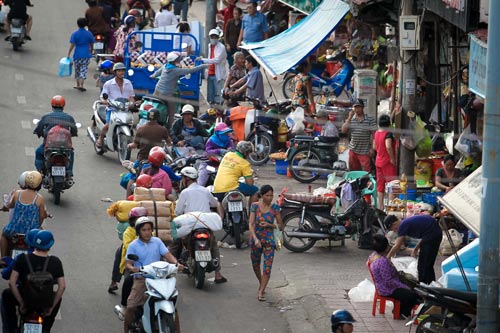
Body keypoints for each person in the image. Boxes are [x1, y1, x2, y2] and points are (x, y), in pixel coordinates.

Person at [123, 217, 183, 333]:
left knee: (172, 303)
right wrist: (133, 269)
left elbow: (167, 255)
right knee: (131, 306)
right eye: (144, 230)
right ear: (139, 231)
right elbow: (128, 264)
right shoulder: (133, 246)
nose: (147, 232)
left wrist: (176, 264)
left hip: (160, 278)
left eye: (149, 229)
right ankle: (126, 329)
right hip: (142, 278)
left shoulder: (157, 241)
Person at [2, 230, 65, 333]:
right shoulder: (55, 262)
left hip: (26, 298)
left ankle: (11, 328)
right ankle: (45, 329)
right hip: (45, 302)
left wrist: (22, 302)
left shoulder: (22, 258)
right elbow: (62, 287)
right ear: (50, 245)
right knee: (58, 299)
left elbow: (11, 283)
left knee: (6, 295)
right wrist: (51, 307)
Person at [174, 167, 227, 283]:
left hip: (190, 225)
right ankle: (218, 274)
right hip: (205, 224)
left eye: (182, 178)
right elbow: (214, 203)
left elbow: (177, 212)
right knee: (213, 247)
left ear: (186, 179)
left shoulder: (184, 192)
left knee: (177, 242)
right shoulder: (205, 190)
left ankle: (174, 266)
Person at [368, 234, 420, 318]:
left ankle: (400, 309)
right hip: (388, 289)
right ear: (386, 247)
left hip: (383, 286)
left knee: (413, 291)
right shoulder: (382, 262)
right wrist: (404, 286)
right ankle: (401, 313)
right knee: (413, 295)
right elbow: (389, 281)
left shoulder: (373, 256)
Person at [150, 52, 207, 128]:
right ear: (174, 61)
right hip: (167, 94)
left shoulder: (165, 66)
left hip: (157, 91)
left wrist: (152, 76)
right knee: (172, 112)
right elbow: (190, 71)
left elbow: (157, 73)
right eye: (178, 60)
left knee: (152, 106)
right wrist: (203, 66)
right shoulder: (176, 70)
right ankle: (170, 128)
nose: (179, 61)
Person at [111, 206, 148, 320]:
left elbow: (160, 247)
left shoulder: (151, 233)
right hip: (132, 264)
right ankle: (124, 306)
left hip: (148, 265)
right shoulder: (128, 232)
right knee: (128, 280)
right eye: (138, 219)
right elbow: (128, 246)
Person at [1, 171, 49, 257]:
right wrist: (38, 226)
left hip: (14, 230)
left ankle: (3, 258)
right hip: (31, 232)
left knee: (4, 235)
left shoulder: (17, 193)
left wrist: (5, 207)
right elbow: (42, 216)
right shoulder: (40, 198)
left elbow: (10, 205)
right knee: (42, 238)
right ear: (39, 185)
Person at [248, 185, 283, 301]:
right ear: (261, 196)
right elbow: (251, 224)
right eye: (267, 195)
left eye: (271, 195)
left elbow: (280, 226)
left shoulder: (275, 208)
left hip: (269, 241)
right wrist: (255, 239)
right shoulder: (255, 206)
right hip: (256, 240)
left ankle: (261, 290)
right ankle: (261, 282)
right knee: (255, 264)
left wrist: (270, 225)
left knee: (267, 267)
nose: (269, 198)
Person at [385, 214, 442, 284]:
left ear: (394, 224)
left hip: (432, 236)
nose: (394, 231)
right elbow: (425, 236)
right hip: (435, 234)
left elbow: (397, 245)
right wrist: (415, 249)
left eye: (393, 229)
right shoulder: (405, 222)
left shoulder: (402, 225)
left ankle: (423, 287)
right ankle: (431, 285)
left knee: (422, 266)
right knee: (428, 265)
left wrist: (387, 258)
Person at [33, 95, 78, 177]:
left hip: (49, 146)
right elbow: (74, 131)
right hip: (65, 147)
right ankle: (69, 172)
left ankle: (40, 173)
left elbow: (39, 129)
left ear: (52, 105)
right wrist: (73, 134)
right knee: (71, 154)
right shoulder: (69, 118)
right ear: (63, 106)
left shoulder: (46, 117)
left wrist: (39, 133)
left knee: (38, 153)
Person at [96, 62, 136, 148]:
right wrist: (105, 101)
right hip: (112, 108)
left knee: (131, 124)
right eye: (119, 71)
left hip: (125, 109)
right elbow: (102, 97)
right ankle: (101, 138)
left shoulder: (128, 83)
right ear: (115, 72)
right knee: (108, 125)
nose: (121, 73)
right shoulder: (109, 84)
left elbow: (131, 97)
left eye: (123, 71)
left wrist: (132, 104)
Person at [213, 141, 259, 206]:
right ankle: (251, 214)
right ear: (246, 153)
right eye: (249, 153)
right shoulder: (245, 163)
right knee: (255, 191)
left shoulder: (227, 155)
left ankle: (221, 215)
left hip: (217, 189)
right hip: (232, 188)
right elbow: (250, 183)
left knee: (219, 201)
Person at [341, 99, 377, 172]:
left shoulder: (370, 119)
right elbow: (343, 130)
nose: (357, 109)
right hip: (353, 150)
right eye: (356, 107)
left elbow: (374, 135)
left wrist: (372, 148)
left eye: (359, 107)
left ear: (363, 107)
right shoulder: (351, 119)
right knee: (353, 171)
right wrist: (349, 117)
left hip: (365, 151)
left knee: (366, 171)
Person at [372, 114, 396, 210]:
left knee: (380, 184)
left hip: (378, 161)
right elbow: (388, 146)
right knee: (392, 184)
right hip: (387, 162)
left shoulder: (377, 133)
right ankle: (390, 207)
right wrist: (392, 158)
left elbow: (374, 147)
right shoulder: (388, 134)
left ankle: (380, 207)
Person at [199, 29, 227, 105]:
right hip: (210, 72)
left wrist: (203, 60)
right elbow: (210, 57)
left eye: (215, 37)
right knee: (210, 95)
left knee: (218, 94)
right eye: (212, 37)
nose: (213, 38)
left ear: (218, 37)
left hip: (218, 74)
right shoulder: (209, 46)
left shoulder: (221, 47)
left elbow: (216, 60)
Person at [67, 18, 95, 92]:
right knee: (84, 69)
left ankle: (78, 84)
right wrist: (92, 50)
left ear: (77, 24)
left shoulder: (75, 34)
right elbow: (92, 43)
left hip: (77, 54)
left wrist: (69, 53)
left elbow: (72, 44)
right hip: (86, 54)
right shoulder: (89, 33)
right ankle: (82, 85)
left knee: (77, 70)